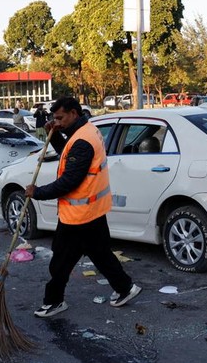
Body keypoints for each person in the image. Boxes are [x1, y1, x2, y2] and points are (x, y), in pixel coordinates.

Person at [25, 96, 141, 317]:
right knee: (100, 254)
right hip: (91, 210)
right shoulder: (86, 131)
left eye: (60, 118)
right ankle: (125, 288)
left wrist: (37, 192)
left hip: (79, 215)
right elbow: (69, 155)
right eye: (54, 119)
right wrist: (57, 135)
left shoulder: (82, 140)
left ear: (73, 114)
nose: (56, 122)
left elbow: (70, 180)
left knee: (60, 261)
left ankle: (54, 301)